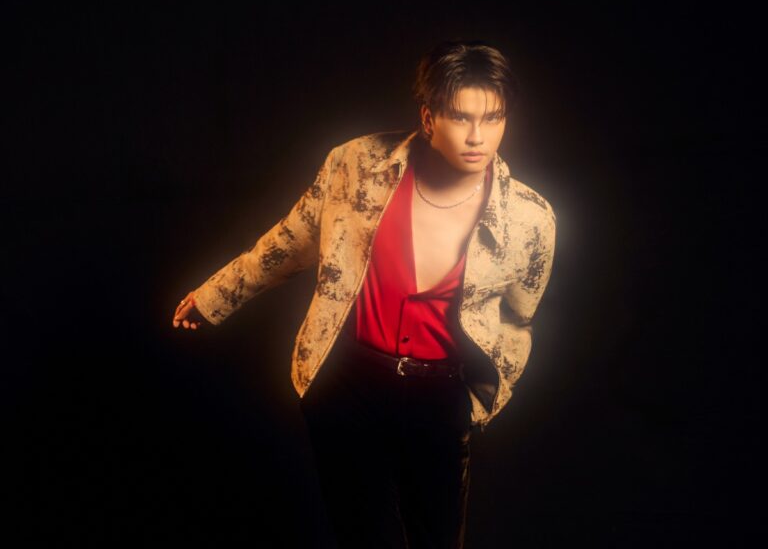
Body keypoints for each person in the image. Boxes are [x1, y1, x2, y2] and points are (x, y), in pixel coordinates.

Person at [172, 39, 557, 548]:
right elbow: (291, 241)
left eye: (492, 118)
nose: (477, 137)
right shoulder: (355, 164)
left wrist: (477, 404)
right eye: (461, 117)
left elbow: (518, 319)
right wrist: (214, 296)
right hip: (347, 385)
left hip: (440, 399)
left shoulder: (530, 219)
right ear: (428, 118)